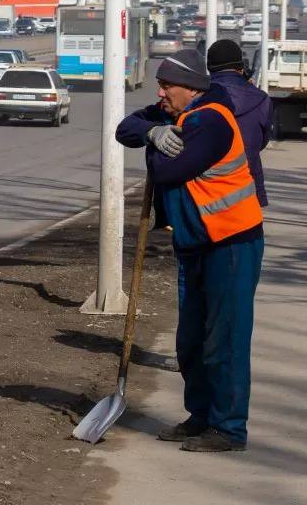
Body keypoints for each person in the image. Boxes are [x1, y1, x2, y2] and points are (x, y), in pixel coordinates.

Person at [116, 49, 263, 453]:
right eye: (160, 85)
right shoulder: (180, 115)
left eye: (166, 86)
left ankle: (229, 428)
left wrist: (152, 143)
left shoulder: (211, 122)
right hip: (196, 243)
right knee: (192, 340)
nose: (159, 92)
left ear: (192, 88)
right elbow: (124, 127)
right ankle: (201, 416)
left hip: (231, 243)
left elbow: (166, 171)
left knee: (225, 339)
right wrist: (150, 133)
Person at [206, 39, 272, 206]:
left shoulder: (199, 96)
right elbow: (262, 142)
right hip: (248, 188)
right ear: (241, 68)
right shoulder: (261, 99)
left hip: (207, 190)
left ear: (209, 68)